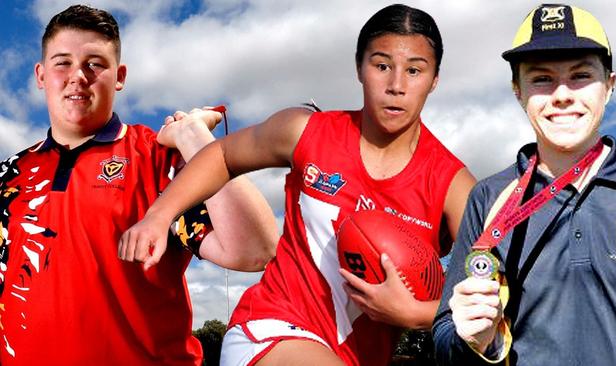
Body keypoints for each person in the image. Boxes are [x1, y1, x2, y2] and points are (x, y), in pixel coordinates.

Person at [119, 4, 476, 365]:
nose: (396, 86)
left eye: (414, 70)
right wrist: (159, 215)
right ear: (359, 68)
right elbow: (223, 156)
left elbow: (496, 296)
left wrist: (416, 314)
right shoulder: (306, 131)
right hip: (272, 329)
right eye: (381, 65)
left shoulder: (455, 186)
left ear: (434, 80)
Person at [0, 5, 278, 365]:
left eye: (94, 63)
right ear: (40, 74)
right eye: (62, 62)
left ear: (119, 75)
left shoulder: (158, 160)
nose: (77, 76)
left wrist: (194, 137)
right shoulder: (10, 174)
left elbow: (255, 249)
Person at [432, 3, 616, 365]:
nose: (562, 94)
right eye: (542, 78)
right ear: (518, 91)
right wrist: (475, 340)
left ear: (609, 86)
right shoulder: (488, 197)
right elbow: (443, 340)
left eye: (580, 75)